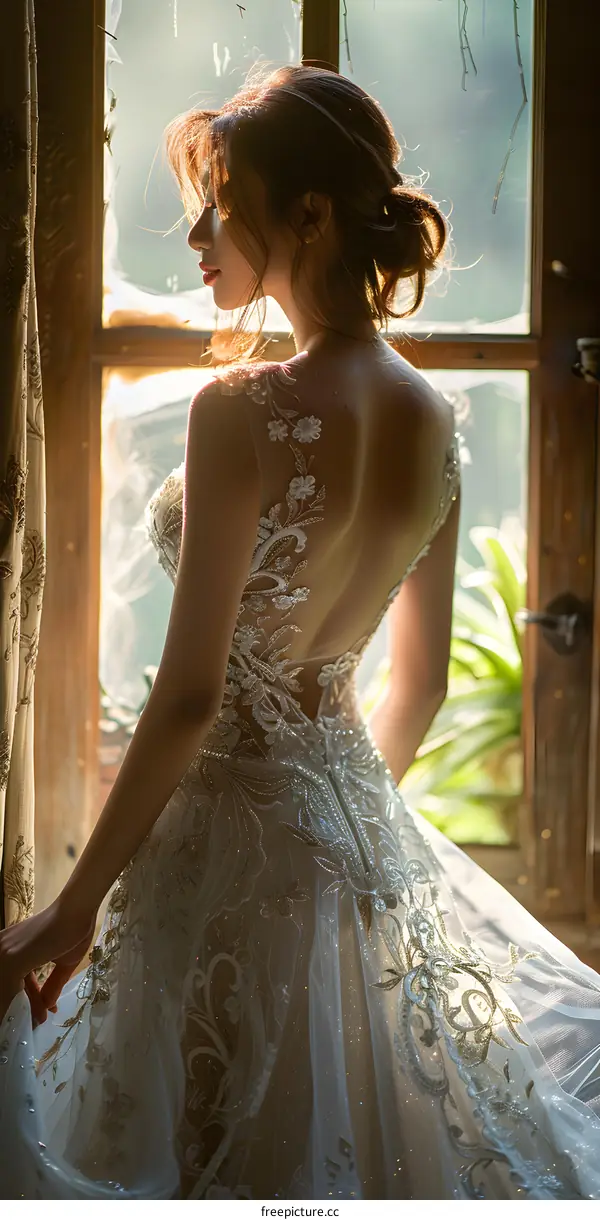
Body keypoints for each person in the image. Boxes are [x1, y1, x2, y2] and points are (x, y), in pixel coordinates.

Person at [1, 64, 600, 1202]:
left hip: (217, 845)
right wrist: (338, 823)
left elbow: (187, 697)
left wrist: (65, 912)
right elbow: (413, 689)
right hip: (353, 847)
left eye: (219, 202)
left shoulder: (238, 410)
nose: (195, 235)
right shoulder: (438, 419)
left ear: (308, 216)